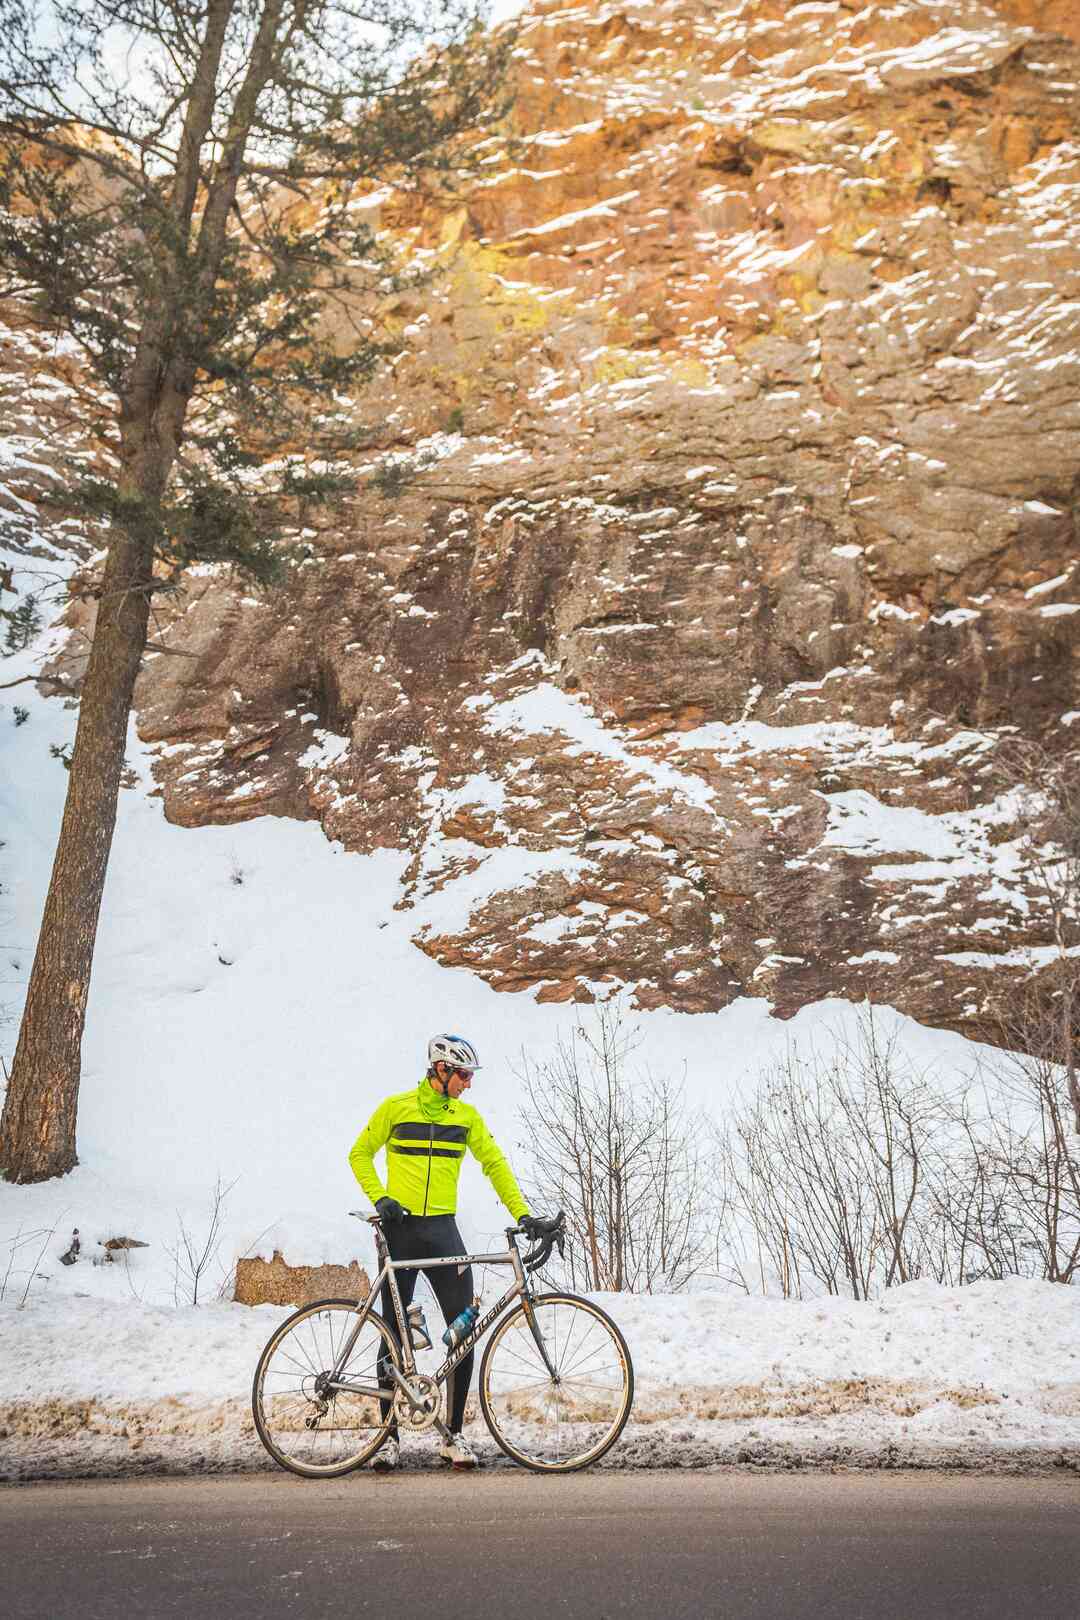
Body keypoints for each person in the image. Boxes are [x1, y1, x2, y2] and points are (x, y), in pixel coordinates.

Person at [348, 1032, 546, 1471]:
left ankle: (453, 1435)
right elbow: (359, 1154)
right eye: (463, 1075)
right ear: (440, 1070)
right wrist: (381, 1197)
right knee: (393, 1337)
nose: (468, 1083)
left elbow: (494, 1163)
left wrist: (523, 1214)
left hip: (443, 1231)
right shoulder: (395, 1108)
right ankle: (387, 1439)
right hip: (399, 1230)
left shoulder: (466, 1117)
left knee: (465, 1330)